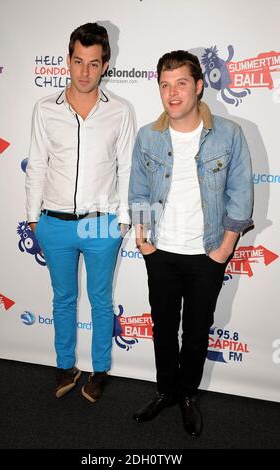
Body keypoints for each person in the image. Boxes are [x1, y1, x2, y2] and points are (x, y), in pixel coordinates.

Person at [128, 50, 253, 437]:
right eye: (165, 85)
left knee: (197, 331)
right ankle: (165, 391)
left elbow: (241, 194)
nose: (172, 93)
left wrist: (223, 250)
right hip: (161, 252)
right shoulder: (148, 135)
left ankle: (187, 395)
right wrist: (144, 240)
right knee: (164, 328)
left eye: (181, 83)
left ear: (199, 86)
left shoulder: (229, 134)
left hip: (207, 253)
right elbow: (140, 189)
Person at [26, 23, 135, 402]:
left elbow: (127, 168)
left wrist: (122, 222)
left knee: (101, 301)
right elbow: (37, 165)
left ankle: (100, 370)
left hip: (101, 225)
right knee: (62, 299)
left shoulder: (119, 111)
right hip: (54, 223)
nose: (84, 72)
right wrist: (33, 219)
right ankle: (64, 365)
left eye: (93, 63)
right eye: (78, 62)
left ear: (105, 64)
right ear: (68, 61)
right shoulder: (45, 109)